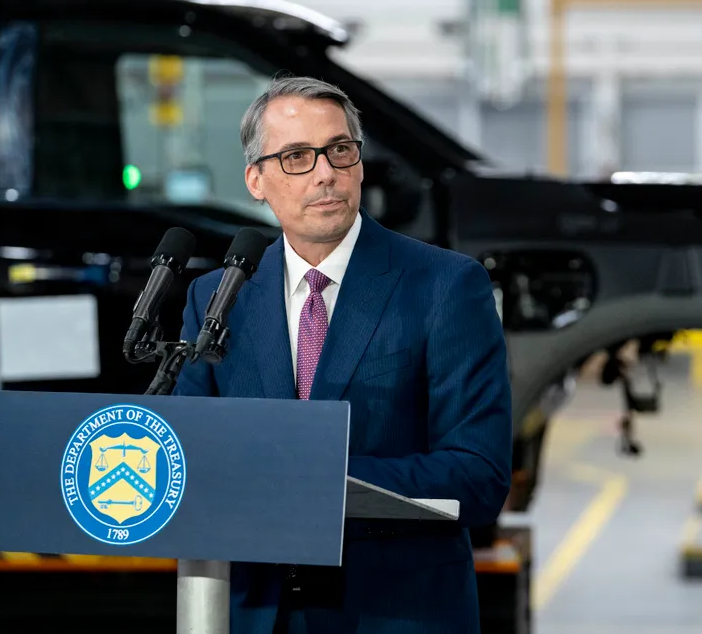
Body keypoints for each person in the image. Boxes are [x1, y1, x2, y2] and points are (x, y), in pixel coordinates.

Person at [173, 75, 513, 634]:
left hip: (397, 613)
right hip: (258, 614)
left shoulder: (445, 287)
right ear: (256, 180)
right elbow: (189, 455)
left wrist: (321, 479)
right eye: (297, 157)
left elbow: (479, 475)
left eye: (339, 150)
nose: (325, 172)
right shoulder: (215, 298)